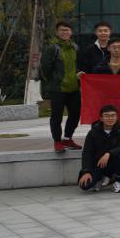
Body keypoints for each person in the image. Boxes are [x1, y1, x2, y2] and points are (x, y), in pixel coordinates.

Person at [40, 21, 81, 153]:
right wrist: (52, 83)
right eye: (62, 30)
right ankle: (57, 141)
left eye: (67, 30)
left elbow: (78, 65)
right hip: (58, 89)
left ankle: (68, 138)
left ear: (71, 32)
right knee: (56, 117)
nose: (65, 32)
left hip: (74, 88)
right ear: (57, 32)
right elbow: (44, 69)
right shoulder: (53, 48)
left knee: (75, 115)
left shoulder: (75, 47)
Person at [78, 105, 120, 194]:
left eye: (113, 115)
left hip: (113, 162)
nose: (110, 118)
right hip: (98, 164)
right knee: (85, 185)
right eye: (106, 116)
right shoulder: (93, 132)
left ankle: (117, 181)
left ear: (117, 117)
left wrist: (109, 153)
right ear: (101, 118)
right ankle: (101, 178)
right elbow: (87, 153)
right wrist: (86, 171)